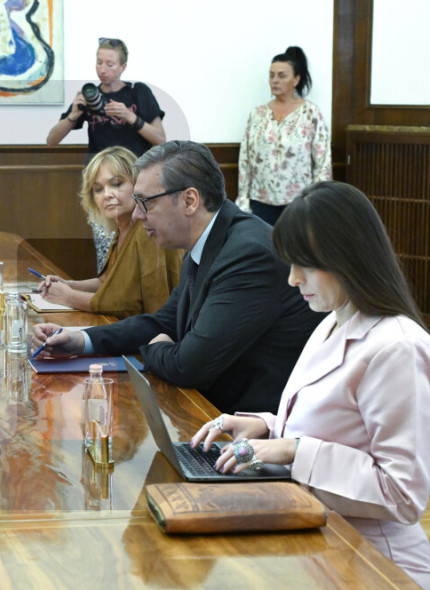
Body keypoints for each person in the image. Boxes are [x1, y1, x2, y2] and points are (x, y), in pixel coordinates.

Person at [191, 181, 430, 587]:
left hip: (376, 565)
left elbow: (402, 495)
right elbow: (337, 431)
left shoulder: (398, 347)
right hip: (320, 546)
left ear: (348, 257)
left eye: (305, 264)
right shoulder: (332, 321)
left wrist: (291, 449)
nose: (292, 279)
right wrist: (266, 427)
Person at [31, 140, 324, 414]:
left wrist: (156, 347)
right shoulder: (207, 241)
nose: (137, 215)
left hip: (255, 425)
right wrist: (81, 340)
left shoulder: (247, 254)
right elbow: (164, 322)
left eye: (145, 202)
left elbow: (189, 366)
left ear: (190, 200)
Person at [46, 37, 167, 273]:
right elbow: (51, 140)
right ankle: (108, 286)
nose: (103, 69)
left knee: (141, 246)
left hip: (135, 185)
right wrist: (73, 114)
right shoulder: (90, 96)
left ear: (123, 67)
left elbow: (160, 138)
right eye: (99, 62)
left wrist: (131, 117)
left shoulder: (138, 93)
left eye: (110, 64)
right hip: (101, 187)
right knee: (106, 252)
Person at [36, 146, 182, 318]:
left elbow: (129, 303)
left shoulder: (147, 229)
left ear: (137, 185)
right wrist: (69, 285)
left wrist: (69, 296)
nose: (107, 195)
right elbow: (107, 282)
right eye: (98, 189)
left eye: (116, 184)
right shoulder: (122, 229)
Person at [236, 46, 332, 225]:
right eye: (271, 75)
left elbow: (323, 164)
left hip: (299, 203)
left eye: (282, 76)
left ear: (296, 79)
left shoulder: (311, 114)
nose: (275, 80)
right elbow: (245, 159)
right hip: (260, 202)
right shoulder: (257, 114)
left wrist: (319, 203)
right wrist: (243, 198)